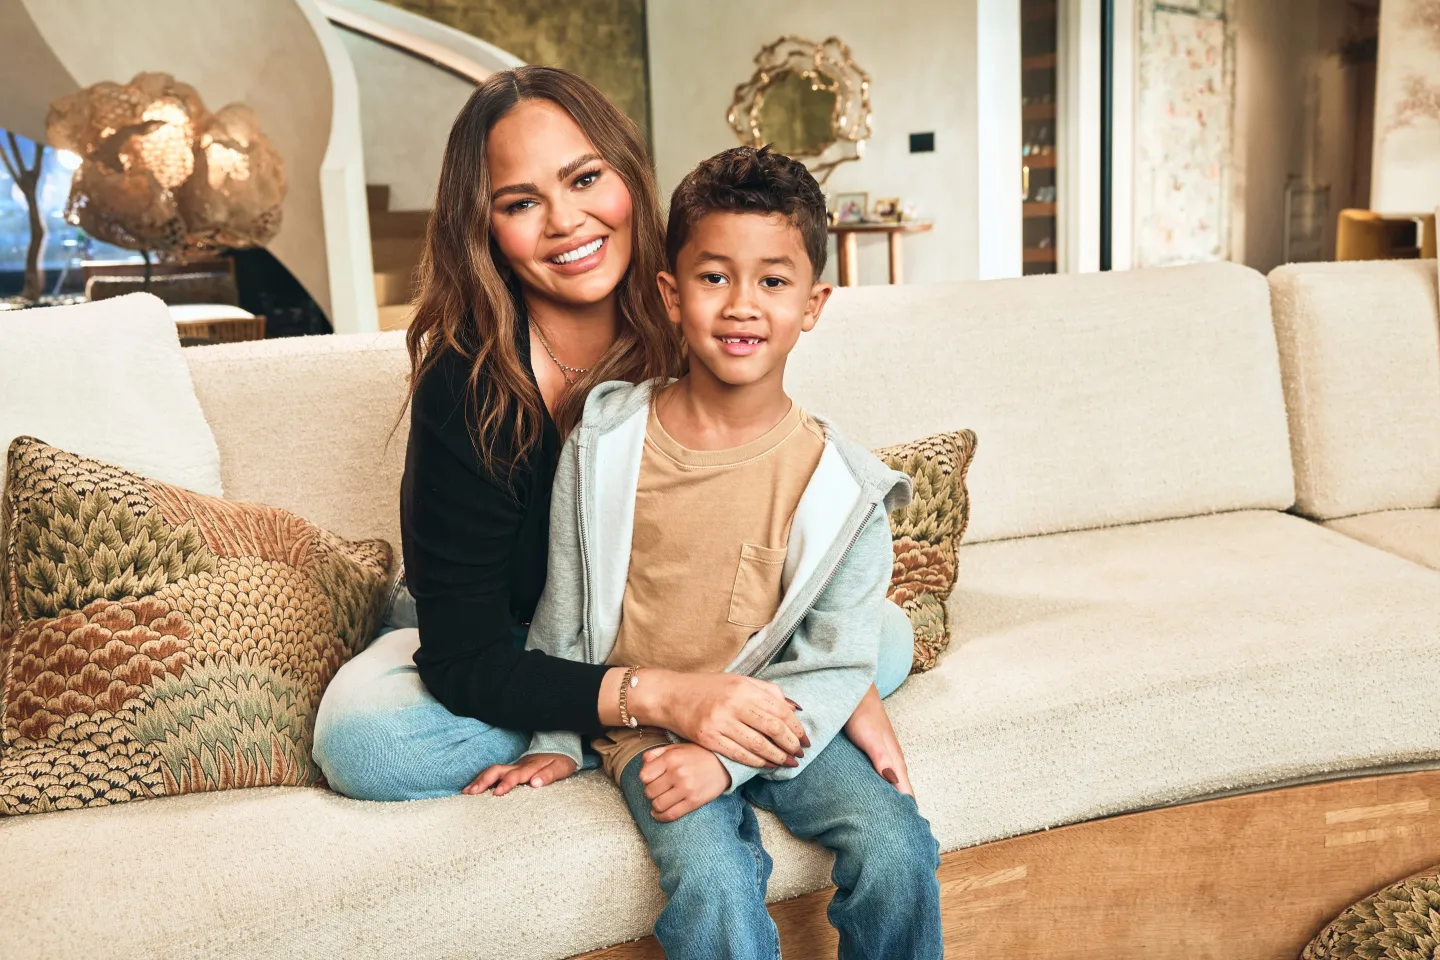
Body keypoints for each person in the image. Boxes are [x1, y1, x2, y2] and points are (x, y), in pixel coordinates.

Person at [312, 67, 917, 803]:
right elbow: (464, 657)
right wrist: (660, 698)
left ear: (627, 176)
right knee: (365, 741)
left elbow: (758, 510)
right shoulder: (465, 385)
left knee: (882, 637)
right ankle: (642, 725)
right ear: (487, 230)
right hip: (499, 645)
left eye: (585, 178)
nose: (565, 221)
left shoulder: (699, 309)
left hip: (676, 628)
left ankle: (693, 715)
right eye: (522, 202)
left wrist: (833, 684)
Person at [489, 145, 942, 959]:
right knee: (713, 877)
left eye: (773, 281)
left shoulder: (844, 485)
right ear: (670, 294)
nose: (741, 306)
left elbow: (837, 664)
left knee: (897, 845)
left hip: (782, 718)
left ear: (813, 303)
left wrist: (725, 763)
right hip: (650, 733)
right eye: (713, 277)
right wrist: (555, 742)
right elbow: (564, 612)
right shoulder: (603, 441)